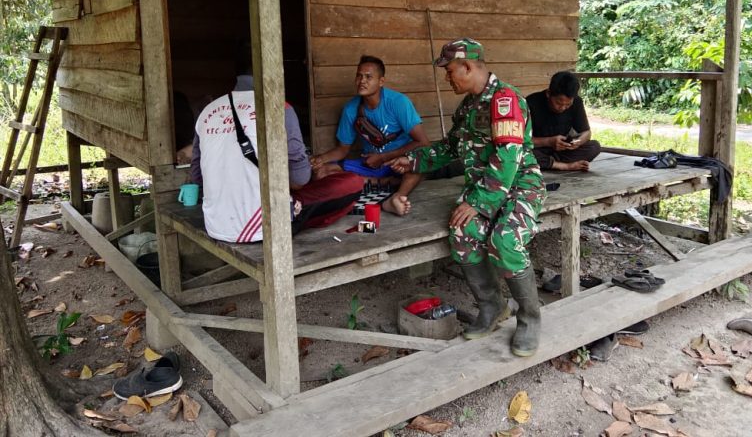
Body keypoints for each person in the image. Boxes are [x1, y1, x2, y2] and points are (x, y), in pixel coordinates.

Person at [390, 39, 545, 357]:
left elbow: (508, 157)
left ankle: (530, 319)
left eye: (450, 71)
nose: (447, 78)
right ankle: (493, 307)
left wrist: (477, 202)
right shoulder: (468, 107)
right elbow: (450, 148)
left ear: (468, 66)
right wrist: (414, 160)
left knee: (504, 241)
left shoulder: (505, 100)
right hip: (484, 189)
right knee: (463, 230)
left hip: (520, 185)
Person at [190, 73, 363, 242]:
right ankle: (299, 213)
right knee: (352, 183)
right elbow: (299, 180)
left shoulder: (208, 111)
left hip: (215, 224)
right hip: (262, 225)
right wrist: (309, 171)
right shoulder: (278, 107)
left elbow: (197, 177)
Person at [310, 55, 429, 216]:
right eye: (359, 76)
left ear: (381, 81)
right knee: (322, 173)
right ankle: (386, 183)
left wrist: (384, 157)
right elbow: (342, 149)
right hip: (371, 164)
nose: (362, 81)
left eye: (368, 77)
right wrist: (320, 159)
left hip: (399, 163)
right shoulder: (351, 109)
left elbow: (423, 142)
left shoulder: (398, 102)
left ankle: (397, 197)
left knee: (421, 161)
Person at [526, 71, 601, 171]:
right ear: (548, 93)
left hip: (562, 151)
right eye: (558, 103)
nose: (562, 108)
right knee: (521, 152)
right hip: (538, 149)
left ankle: (548, 163)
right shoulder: (531, 103)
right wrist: (549, 142)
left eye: (568, 104)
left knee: (594, 147)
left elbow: (586, 133)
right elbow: (522, 140)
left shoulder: (577, 102)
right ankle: (563, 165)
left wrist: (577, 142)